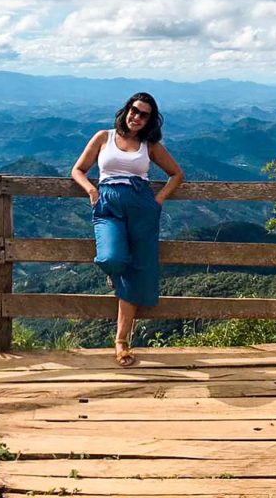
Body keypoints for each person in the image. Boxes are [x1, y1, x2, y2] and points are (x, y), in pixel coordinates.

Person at [70, 92, 184, 367]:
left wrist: (158, 200)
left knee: (138, 270)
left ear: (149, 120)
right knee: (112, 258)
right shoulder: (103, 137)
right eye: (135, 110)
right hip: (108, 201)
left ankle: (121, 342)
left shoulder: (150, 145)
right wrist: (91, 191)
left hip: (141, 206)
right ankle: (115, 271)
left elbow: (176, 174)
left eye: (144, 114)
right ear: (126, 110)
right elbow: (78, 170)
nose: (137, 117)